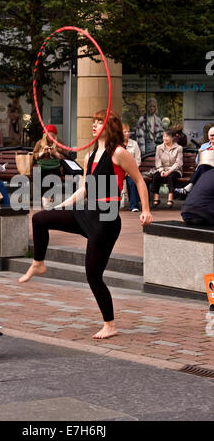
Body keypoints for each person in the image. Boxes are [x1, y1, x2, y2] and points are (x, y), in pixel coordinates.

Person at [18, 110, 153, 340]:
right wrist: (63, 205)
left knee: (93, 275)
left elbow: (139, 180)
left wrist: (146, 209)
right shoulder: (91, 154)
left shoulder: (118, 152)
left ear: (109, 127)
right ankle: (39, 262)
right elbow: (86, 188)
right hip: (88, 212)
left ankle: (109, 324)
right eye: (94, 121)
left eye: (99, 122)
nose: (94, 126)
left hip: (107, 219)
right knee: (40, 218)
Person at [175, 125, 214, 200]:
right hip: (204, 169)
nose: (213, 137)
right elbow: (197, 160)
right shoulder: (204, 146)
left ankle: (188, 188)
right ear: (208, 137)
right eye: (211, 135)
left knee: (202, 168)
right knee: (202, 167)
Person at [33, 124, 67, 205]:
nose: (50, 138)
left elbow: (65, 158)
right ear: (45, 135)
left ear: (55, 135)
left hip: (55, 168)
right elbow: (34, 157)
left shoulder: (60, 143)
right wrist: (42, 153)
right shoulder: (39, 143)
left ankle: (47, 196)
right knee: (36, 172)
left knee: (51, 175)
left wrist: (55, 153)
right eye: (48, 136)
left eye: (52, 136)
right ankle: (46, 196)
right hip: (42, 167)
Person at [150, 128, 183, 209]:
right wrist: (161, 170)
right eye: (164, 136)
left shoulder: (179, 148)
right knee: (156, 176)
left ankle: (170, 198)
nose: (165, 138)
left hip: (175, 170)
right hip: (162, 169)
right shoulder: (159, 147)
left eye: (167, 136)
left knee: (172, 177)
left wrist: (169, 171)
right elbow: (158, 162)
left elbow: (179, 163)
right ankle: (156, 198)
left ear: (172, 138)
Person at [122, 123, 141, 212]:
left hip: (131, 171)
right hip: (119, 171)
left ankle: (134, 205)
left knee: (133, 182)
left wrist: (130, 171)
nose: (127, 133)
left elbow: (138, 160)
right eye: (125, 131)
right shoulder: (116, 144)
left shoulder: (134, 144)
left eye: (128, 131)